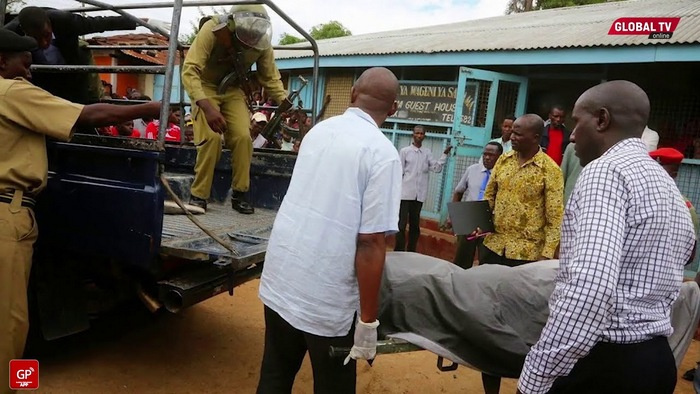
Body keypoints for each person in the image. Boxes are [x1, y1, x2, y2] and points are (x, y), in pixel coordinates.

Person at [0, 29, 161, 393]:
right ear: (1, 62)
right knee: (9, 326)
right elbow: (86, 115)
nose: (29, 74)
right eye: (23, 66)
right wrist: (149, 108)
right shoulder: (11, 91)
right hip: (7, 215)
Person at [518, 81, 696, 394]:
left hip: (603, 366)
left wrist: (535, 378)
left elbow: (590, 289)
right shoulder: (667, 186)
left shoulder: (605, 173)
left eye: (577, 121)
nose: (572, 135)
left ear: (601, 120)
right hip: (656, 362)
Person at [256, 67, 402, 393]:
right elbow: (371, 243)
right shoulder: (382, 154)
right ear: (393, 109)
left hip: (282, 277)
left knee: (275, 374)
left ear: (353, 94)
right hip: (326, 300)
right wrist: (367, 321)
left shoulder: (318, 132)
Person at [182, 4, 291, 214]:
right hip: (205, 87)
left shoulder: (261, 41)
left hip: (232, 88)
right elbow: (190, 70)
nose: (252, 34)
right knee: (211, 139)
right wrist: (206, 106)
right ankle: (198, 195)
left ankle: (240, 193)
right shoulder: (212, 29)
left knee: (243, 138)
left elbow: (270, 77)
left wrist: (283, 100)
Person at [4, 6, 147, 103]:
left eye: (46, 35)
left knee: (81, 108)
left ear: (50, 24)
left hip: (73, 75)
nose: (43, 42)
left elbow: (102, 23)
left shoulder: (66, 21)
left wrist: (144, 22)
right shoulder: (11, 33)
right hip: (41, 82)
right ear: (23, 32)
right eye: (35, 38)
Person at [480, 114, 564, 266]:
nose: (512, 137)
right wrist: (478, 223)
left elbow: (555, 217)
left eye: (518, 134)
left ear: (535, 137)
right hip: (493, 246)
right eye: (512, 132)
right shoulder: (503, 160)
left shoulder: (550, 170)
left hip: (525, 255)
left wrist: (547, 254)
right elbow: (489, 196)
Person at [395, 125, 452, 252]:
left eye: (421, 134)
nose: (419, 136)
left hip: (419, 195)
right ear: (413, 135)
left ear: (424, 136)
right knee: (401, 224)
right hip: (405, 194)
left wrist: (444, 155)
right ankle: (398, 250)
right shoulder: (405, 151)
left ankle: (411, 251)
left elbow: (436, 168)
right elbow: (400, 172)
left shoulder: (427, 152)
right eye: (417, 133)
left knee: (415, 225)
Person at [451, 141, 503, 269]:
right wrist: (454, 216)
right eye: (485, 154)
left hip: (489, 221)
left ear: (500, 156)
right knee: (462, 257)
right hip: (469, 218)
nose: (487, 157)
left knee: (485, 259)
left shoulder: (503, 175)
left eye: (491, 155)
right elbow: (458, 192)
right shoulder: (472, 170)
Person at [649, 147, 699, 235]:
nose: (654, 174)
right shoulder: (640, 197)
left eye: (660, 171)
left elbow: (692, 244)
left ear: (673, 174)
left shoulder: (686, 207)